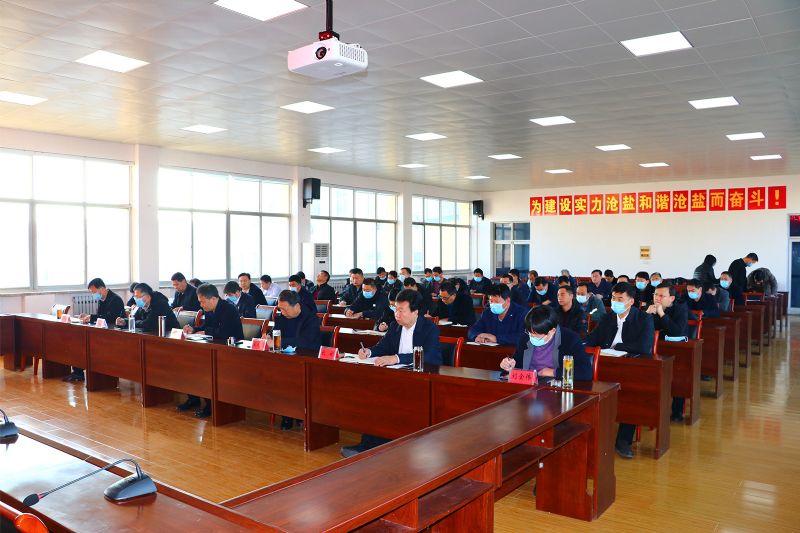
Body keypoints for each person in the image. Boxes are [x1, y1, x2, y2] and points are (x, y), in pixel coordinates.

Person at [341, 290, 442, 457]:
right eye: (396, 309)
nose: (397, 314)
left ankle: (380, 447)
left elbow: (428, 355)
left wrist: (396, 358)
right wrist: (369, 352)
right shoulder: (395, 326)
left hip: (423, 380)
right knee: (373, 395)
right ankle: (368, 446)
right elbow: (383, 347)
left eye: (401, 310)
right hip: (398, 377)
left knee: (388, 399)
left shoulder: (429, 328)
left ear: (415, 312)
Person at [584, 282, 655, 459]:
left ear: (631, 302)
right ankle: (591, 433)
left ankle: (623, 440)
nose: (615, 302)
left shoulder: (643, 319)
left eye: (620, 299)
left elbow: (644, 347)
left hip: (630, 366)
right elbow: (593, 339)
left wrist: (618, 346)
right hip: (605, 364)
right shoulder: (608, 317)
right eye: (614, 298)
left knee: (631, 395)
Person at [180, 283, 244, 418]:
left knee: (206, 370)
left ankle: (211, 404)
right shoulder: (209, 309)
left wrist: (205, 331)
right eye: (200, 302)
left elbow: (224, 333)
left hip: (232, 350)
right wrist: (194, 329)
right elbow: (207, 326)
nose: (201, 305)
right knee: (189, 364)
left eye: (202, 301)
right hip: (214, 347)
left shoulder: (229, 309)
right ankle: (194, 398)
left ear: (214, 299)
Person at [268, 289, 322, 430]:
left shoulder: (311, 319)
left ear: (297, 306)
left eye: (285, 309)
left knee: (288, 377)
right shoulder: (281, 317)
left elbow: (305, 341)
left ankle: (293, 414)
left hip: (306, 360)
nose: (282, 312)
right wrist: (268, 337)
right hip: (285, 358)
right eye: (280, 309)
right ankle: (287, 413)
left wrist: (278, 342)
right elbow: (274, 333)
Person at [500, 305, 592, 381]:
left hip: (556, 389)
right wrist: (509, 366)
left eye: (536, 335)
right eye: (529, 332)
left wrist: (553, 372)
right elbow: (517, 363)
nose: (531, 337)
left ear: (552, 331)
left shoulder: (570, 339)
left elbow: (585, 372)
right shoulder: (525, 338)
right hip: (528, 388)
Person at [646, 282, 690, 422]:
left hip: (677, 349)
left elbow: (677, 331)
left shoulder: (680, 307)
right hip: (656, 347)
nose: (657, 298)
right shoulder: (650, 305)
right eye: (655, 295)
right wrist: (646, 315)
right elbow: (642, 330)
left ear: (671, 298)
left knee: (679, 374)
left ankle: (677, 410)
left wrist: (661, 314)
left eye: (661, 296)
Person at [67, 278, 125, 383]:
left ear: (101, 289)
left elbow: (111, 318)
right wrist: (88, 316)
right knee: (79, 341)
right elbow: (100, 316)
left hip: (113, 333)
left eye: (94, 292)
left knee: (90, 346)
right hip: (102, 331)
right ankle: (78, 373)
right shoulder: (101, 299)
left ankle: (95, 374)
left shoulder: (115, 299)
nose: (93, 295)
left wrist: (91, 317)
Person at [115, 283, 180, 333]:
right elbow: (134, 319)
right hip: (153, 333)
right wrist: (124, 321)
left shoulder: (160, 303)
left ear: (148, 296)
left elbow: (148, 324)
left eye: (138, 297)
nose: (136, 300)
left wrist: (135, 322)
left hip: (170, 334)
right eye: (135, 297)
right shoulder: (142, 305)